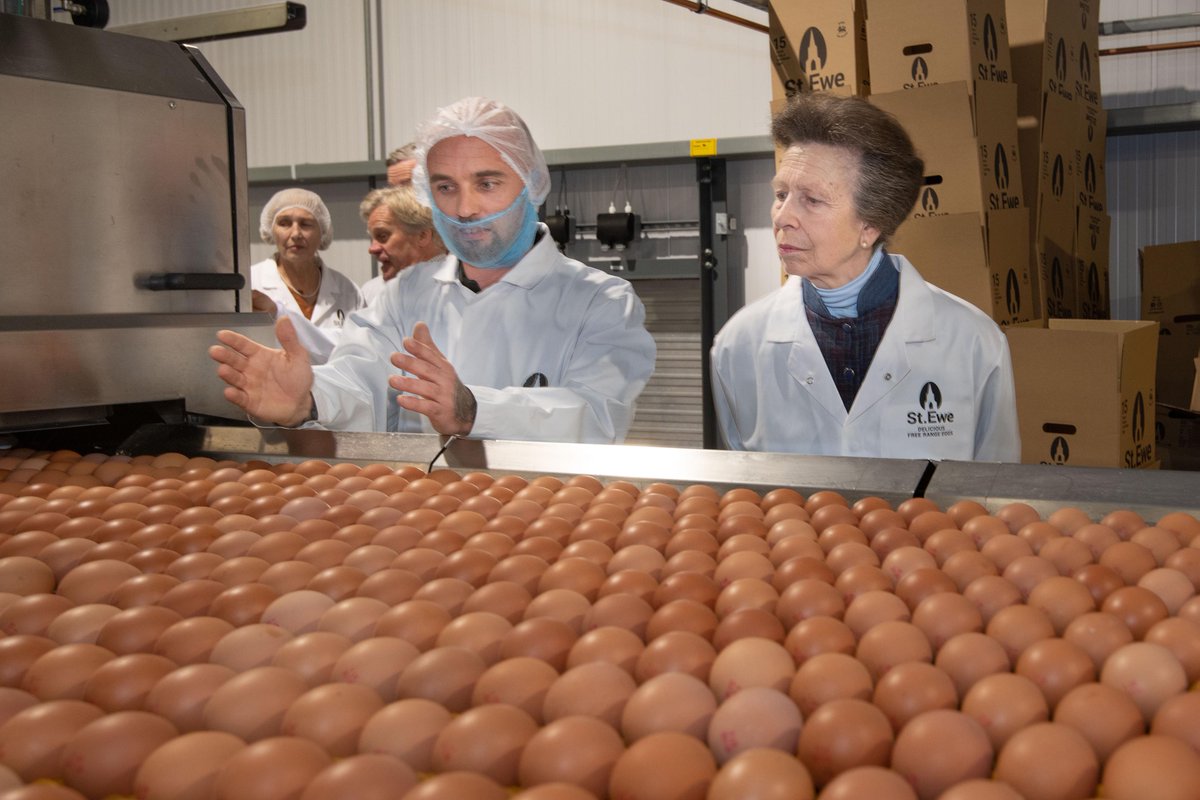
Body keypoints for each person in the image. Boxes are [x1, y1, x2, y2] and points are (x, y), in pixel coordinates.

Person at [211, 97, 656, 443]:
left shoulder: (599, 301)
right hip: (426, 517)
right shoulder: (405, 295)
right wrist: (308, 399)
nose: (465, 209)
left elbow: (599, 416)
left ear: (531, 183)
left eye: (487, 183)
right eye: (445, 187)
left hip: (545, 518)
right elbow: (359, 379)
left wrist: (474, 409)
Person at [710, 93, 1019, 461]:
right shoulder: (738, 345)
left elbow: (995, 490)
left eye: (811, 199)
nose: (782, 216)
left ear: (870, 224)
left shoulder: (972, 342)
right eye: (781, 194)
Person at [251, 188, 365, 364]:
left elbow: (361, 352)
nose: (295, 234)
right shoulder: (253, 284)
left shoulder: (348, 291)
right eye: (284, 223)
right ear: (271, 231)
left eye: (305, 224)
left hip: (334, 391)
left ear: (323, 233)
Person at [358, 186, 446, 305]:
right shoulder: (371, 293)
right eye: (372, 238)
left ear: (422, 236)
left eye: (383, 236)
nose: (372, 249)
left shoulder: (462, 289)